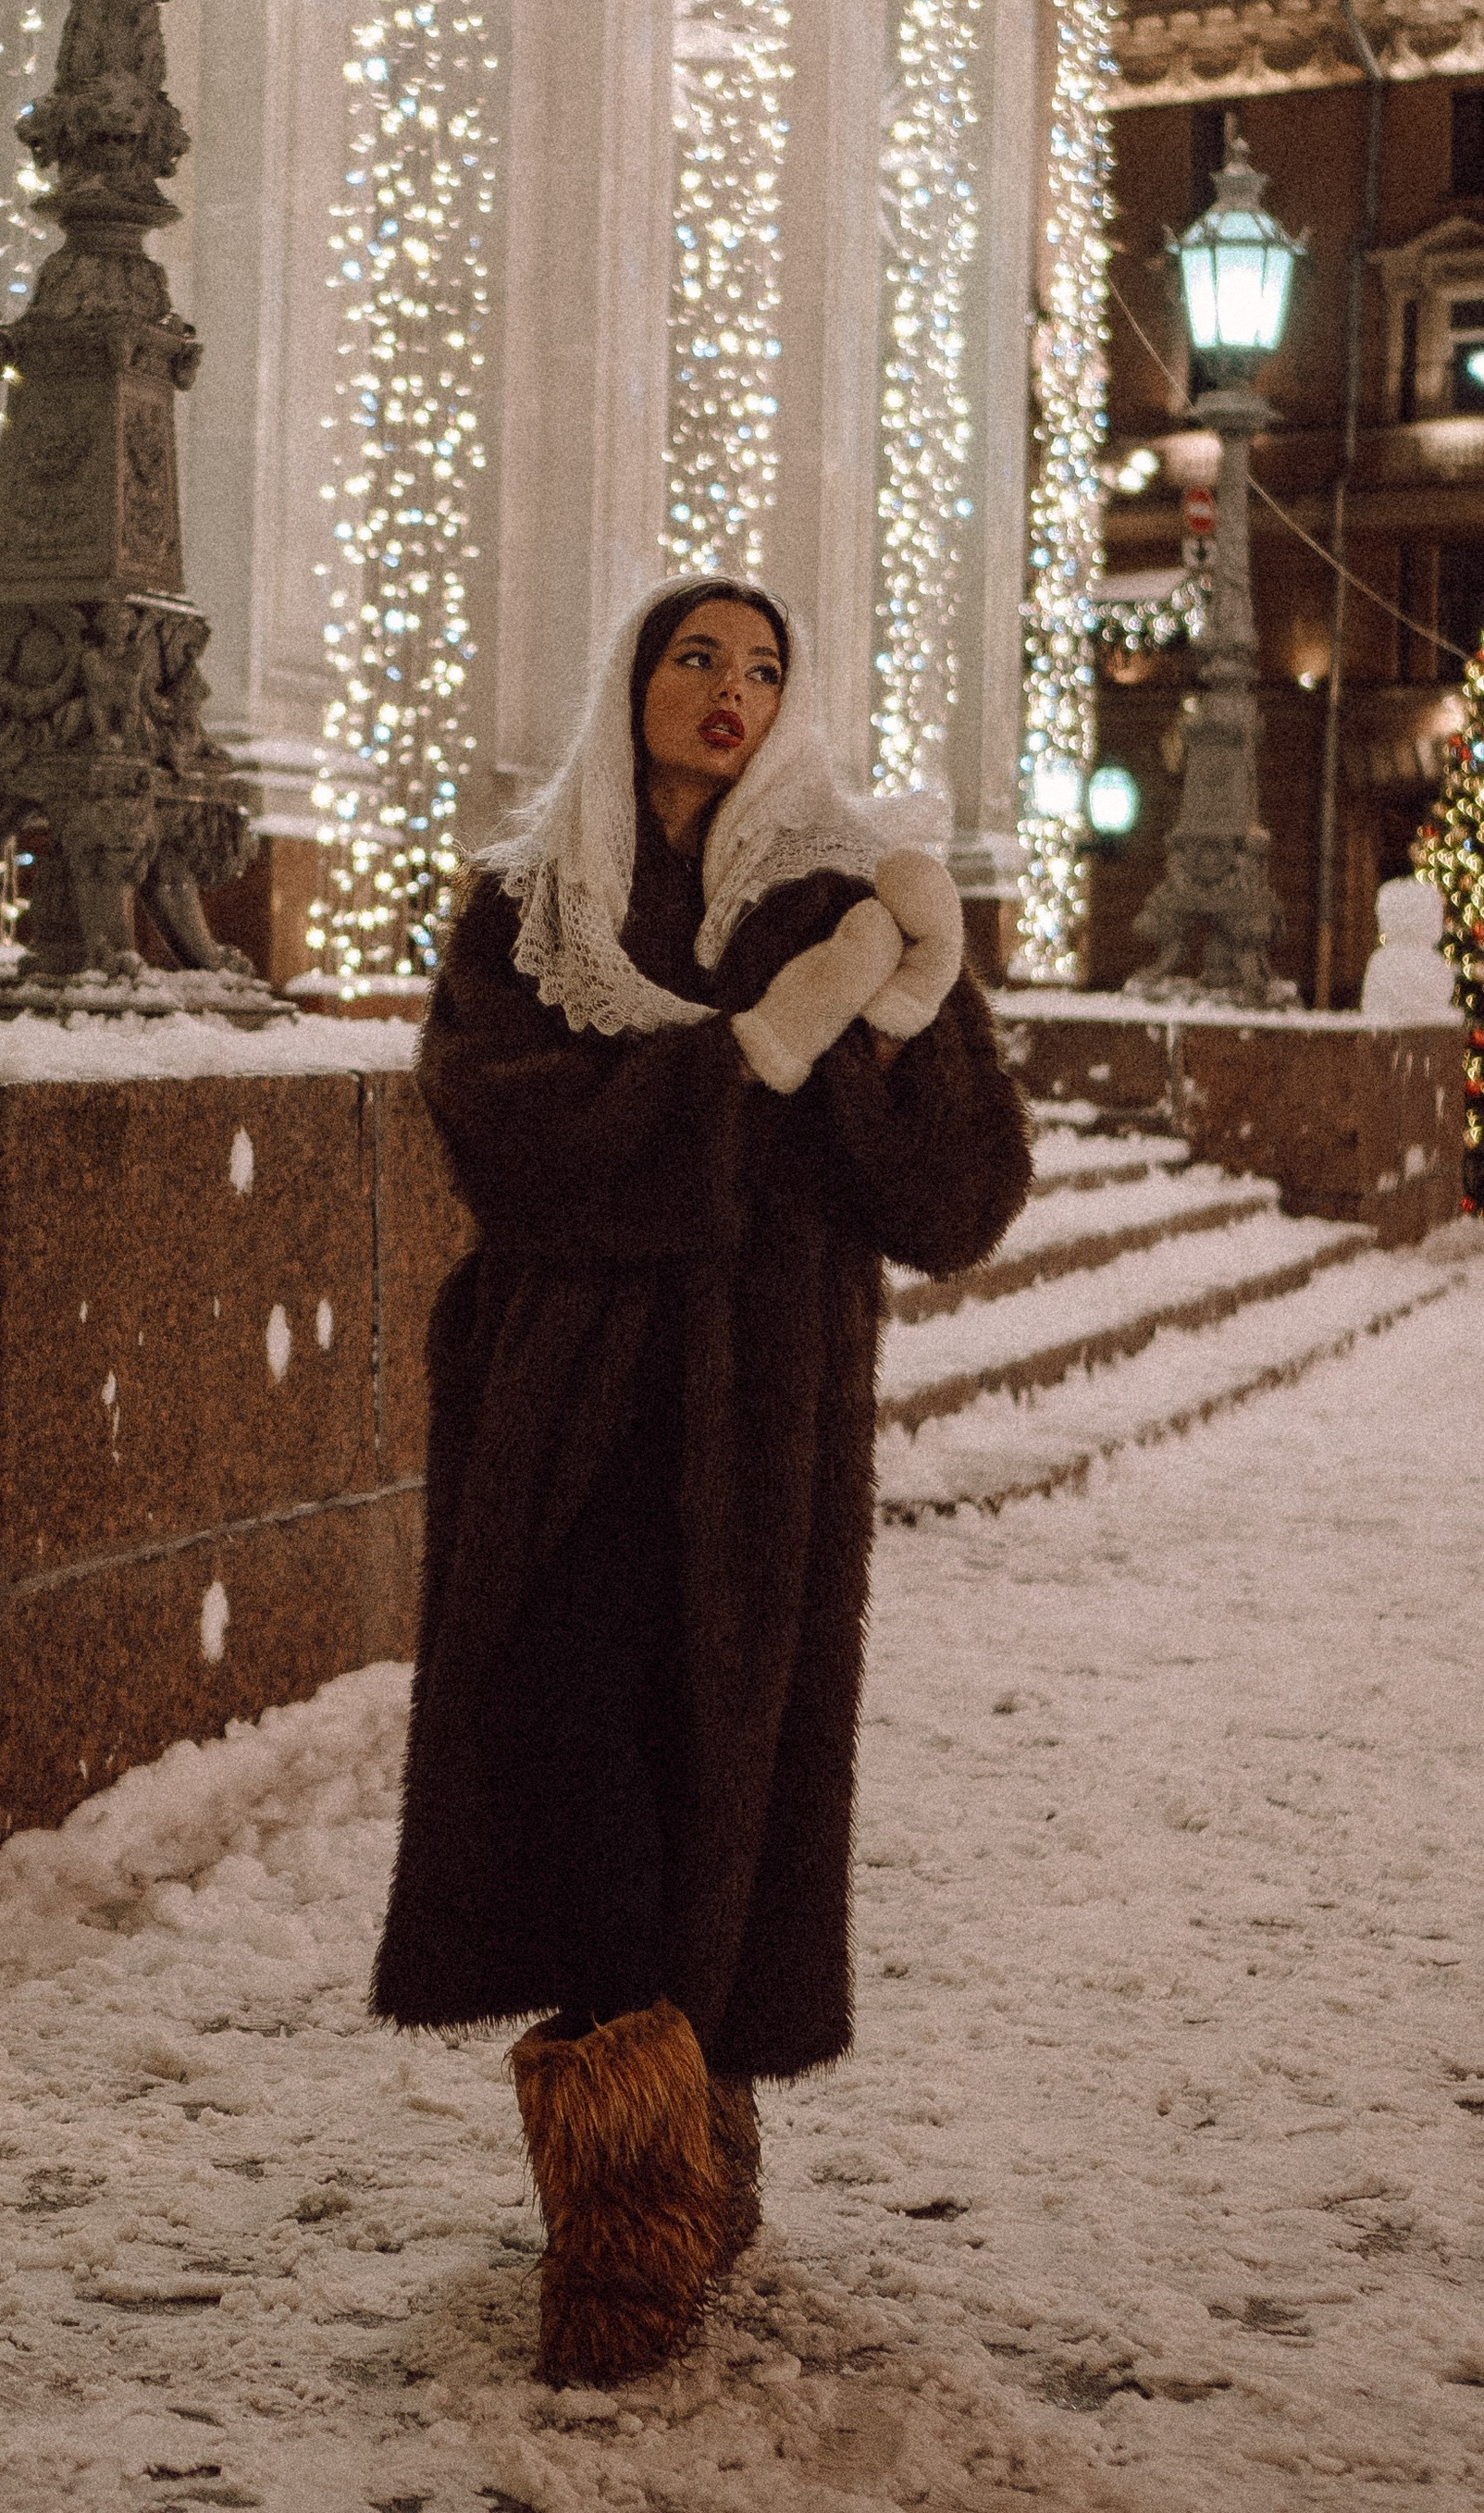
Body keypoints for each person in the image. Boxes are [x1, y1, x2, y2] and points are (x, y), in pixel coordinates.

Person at [371, 575, 1031, 2385]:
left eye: (760, 667)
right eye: (693, 658)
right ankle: (620, 2220)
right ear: (634, 681)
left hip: (758, 1432)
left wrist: (899, 1018)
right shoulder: (531, 904)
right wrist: (740, 1063)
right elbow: (499, 1128)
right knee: (580, 1776)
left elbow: (956, 1200)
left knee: (720, 1787)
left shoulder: (842, 901)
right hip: (563, 1415)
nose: (727, 688)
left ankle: (685, 2146)